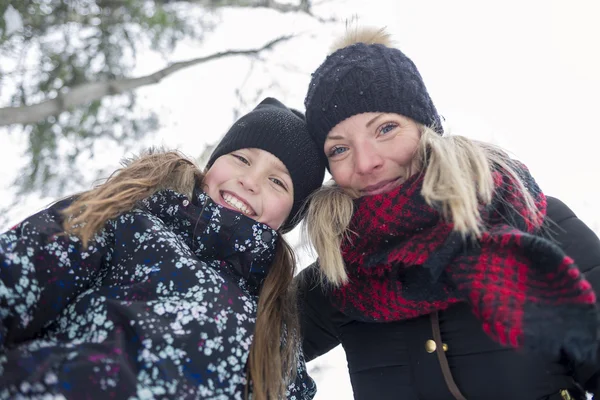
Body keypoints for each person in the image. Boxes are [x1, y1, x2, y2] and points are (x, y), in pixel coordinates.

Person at [297, 27, 600, 400]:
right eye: (339, 149)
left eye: (386, 128)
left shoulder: (537, 224)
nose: (367, 162)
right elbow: (238, 351)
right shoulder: (338, 273)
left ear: (427, 129)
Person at [0, 98, 325, 400]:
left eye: (277, 181)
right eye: (242, 159)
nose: (250, 181)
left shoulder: (272, 318)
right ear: (212, 165)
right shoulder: (125, 219)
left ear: (290, 216)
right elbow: (19, 271)